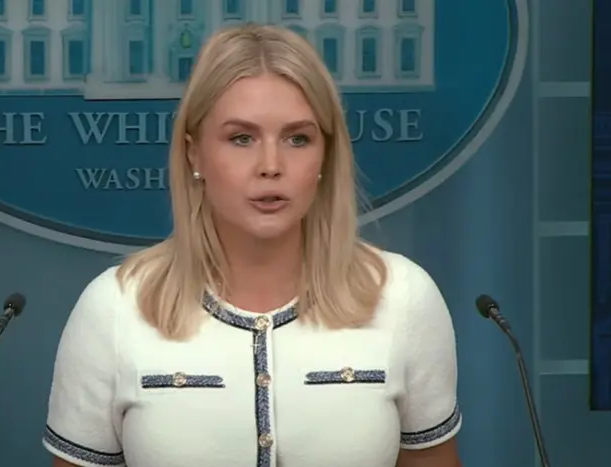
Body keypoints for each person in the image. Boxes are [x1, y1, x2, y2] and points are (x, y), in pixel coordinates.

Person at [41, 23, 462, 467]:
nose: (270, 165)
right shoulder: (114, 308)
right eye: (241, 138)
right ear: (194, 154)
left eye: (297, 139)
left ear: (326, 154)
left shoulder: (403, 297)